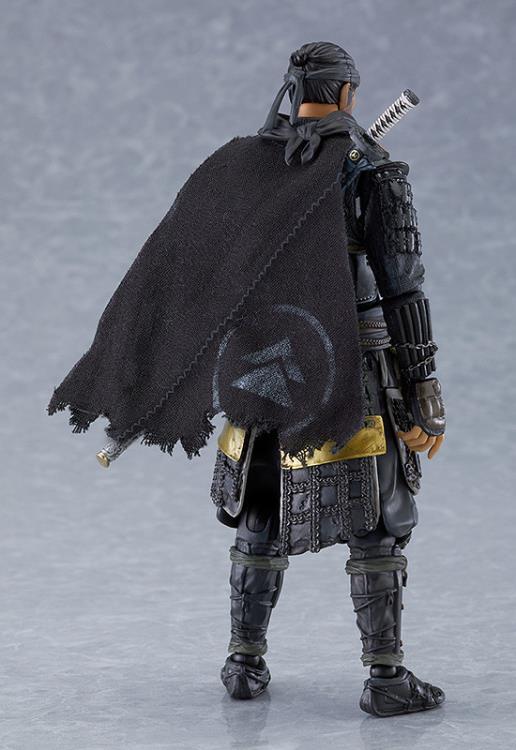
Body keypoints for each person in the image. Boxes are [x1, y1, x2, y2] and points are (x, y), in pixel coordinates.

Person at [48, 41, 446, 718]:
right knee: (375, 521)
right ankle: (385, 678)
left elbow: (192, 269)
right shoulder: (371, 170)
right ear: (346, 94)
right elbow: (402, 287)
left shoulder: (241, 166)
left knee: (259, 518)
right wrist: (424, 391)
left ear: (294, 92)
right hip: (351, 369)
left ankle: (243, 663)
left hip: (261, 372)